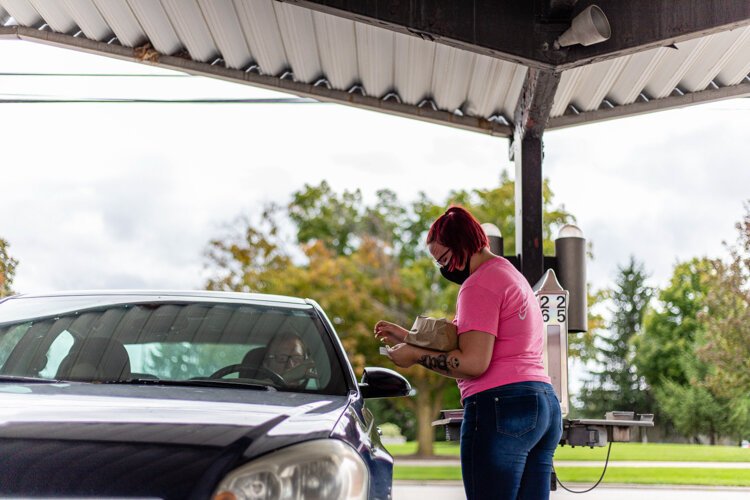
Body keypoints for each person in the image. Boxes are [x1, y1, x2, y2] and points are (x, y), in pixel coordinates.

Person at [374, 206, 562, 500]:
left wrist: (414, 356)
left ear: (463, 244)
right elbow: (467, 340)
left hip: (502, 406)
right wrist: (409, 336)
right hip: (542, 405)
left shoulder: (479, 285)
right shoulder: (509, 274)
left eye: (446, 259)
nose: (445, 269)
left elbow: (473, 362)